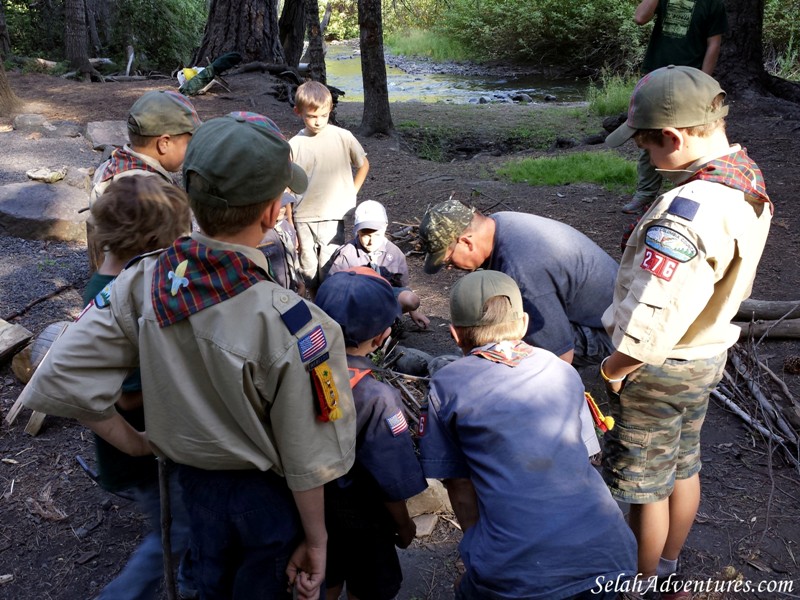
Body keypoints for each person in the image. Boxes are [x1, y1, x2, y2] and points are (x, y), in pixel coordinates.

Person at [19, 112, 358, 600]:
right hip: (261, 501)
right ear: (271, 214)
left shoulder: (142, 279)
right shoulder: (295, 324)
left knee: (204, 582)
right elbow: (309, 456)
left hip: (190, 490)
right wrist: (318, 540)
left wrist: (136, 443)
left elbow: (63, 373)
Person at [602, 66, 772, 599]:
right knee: (682, 463)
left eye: (648, 147)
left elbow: (657, 312)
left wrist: (616, 366)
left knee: (644, 486)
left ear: (674, 138)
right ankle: (670, 563)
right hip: (706, 354)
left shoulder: (687, 211)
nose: (647, 158)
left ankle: (638, 582)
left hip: (660, 365)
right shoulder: (743, 178)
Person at [418, 270, 637, 600]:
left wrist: (478, 547)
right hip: (610, 553)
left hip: (517, 573)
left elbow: (459, 485)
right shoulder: (562, 370)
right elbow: (588, 457)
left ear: (454, 334)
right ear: (522, 323)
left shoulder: (447, 385)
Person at [84, 175, 195, 600]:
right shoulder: (113, 301)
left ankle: (189, 580)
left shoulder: (113, 283)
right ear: (151, 240)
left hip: (149, 444)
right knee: (174, 531)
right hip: (142, 448)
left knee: (178, 522)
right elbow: (127, 394)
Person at [315, 269, 428, 600]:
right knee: (368, 588)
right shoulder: (377, 396)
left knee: (324, 578)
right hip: (364, 522)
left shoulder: (299, 372)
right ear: (382, 337)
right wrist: (404, 525)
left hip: (311, 511)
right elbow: (390, 477)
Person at [420, 199, 617, 368]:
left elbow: (562, 357)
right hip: (601, 313)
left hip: (616, 335)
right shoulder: (499, 222)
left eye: (448, 260)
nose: (449, 267)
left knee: (500, 339)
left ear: (466, 242)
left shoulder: (522, 270)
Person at [622, 0, 728, 215]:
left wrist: (703, 82)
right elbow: (640, 18)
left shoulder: (713, 3)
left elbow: (713, 43)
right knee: (649, 134)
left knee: (692, 137)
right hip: (655, 74)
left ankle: (688, 193)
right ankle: (645, 194)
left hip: (690, 78)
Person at [88, 90, 201, 270]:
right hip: (145, 284)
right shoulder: (151, 193)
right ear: (164, 143)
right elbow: (171, 256)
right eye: (189, 142)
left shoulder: (113, 164)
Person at [289, 80, 370, 294]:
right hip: (303, 216)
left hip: (333, 215)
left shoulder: (343, 136)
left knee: (331, 265)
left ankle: (330, 308)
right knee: (307, 269)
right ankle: (316, 307)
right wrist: (289, 222)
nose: (318, 122)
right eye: (312, 116)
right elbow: (287, 186)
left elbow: (363, 165)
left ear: (330, 109)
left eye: (323, 116)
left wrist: (351, 192)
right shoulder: (293, 145)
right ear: (298, 112)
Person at [329, 200, 430, 328]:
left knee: (411, 299)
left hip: (385, 298)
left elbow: (402, 286)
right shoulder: (346, 255)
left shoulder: (394, 253)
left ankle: (388, 323)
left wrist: (414, 313)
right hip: (356, 302)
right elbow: (333, 291)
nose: (371, 241)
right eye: (365, 235)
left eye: (376, 234)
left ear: (385, 227)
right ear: (357, 232)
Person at [258, 193, 305, 295]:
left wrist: (299, 281)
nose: (281, 209)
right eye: (277, 206)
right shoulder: (259, 235)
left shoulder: (287, 228)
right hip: (270, 293)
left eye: (284, 206)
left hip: (290, 288)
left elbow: (293, 258)